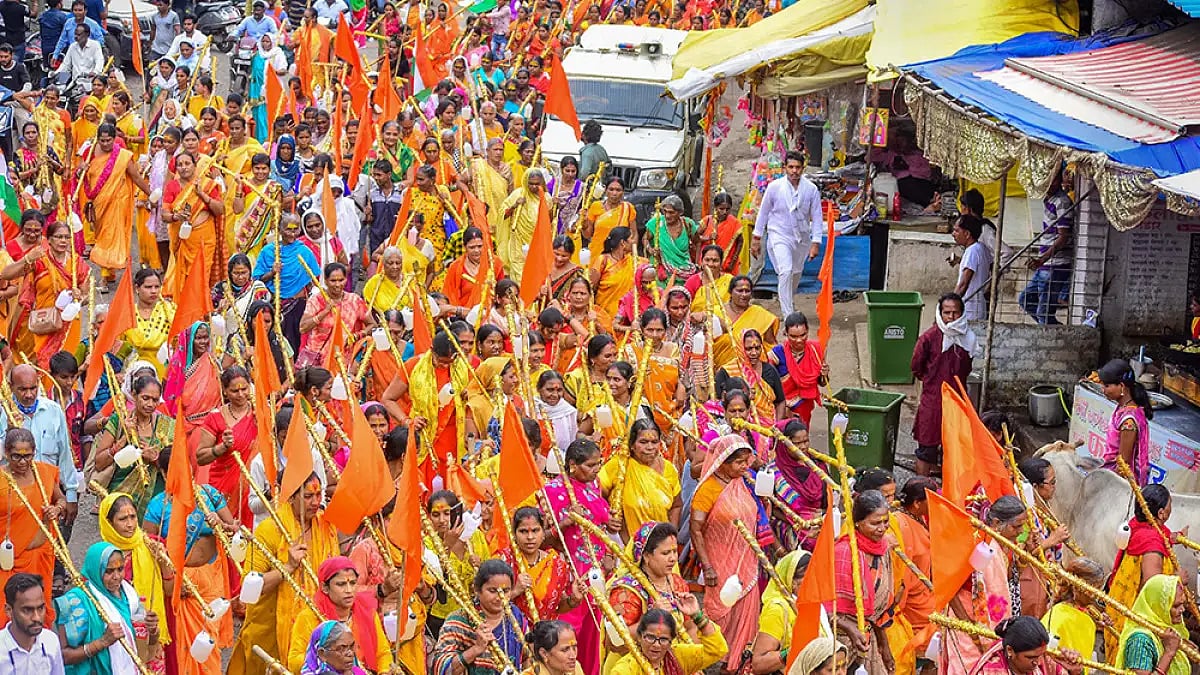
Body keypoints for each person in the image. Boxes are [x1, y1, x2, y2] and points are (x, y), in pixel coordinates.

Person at [231, 474, 339, 675]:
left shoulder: (326, 527)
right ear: (291, 497)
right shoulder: (270, 530)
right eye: (308, 496)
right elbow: (248, 587)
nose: (316, 502)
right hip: (270, 632)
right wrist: (287, 568)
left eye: (318, 494)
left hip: (314, 625)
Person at [690, 433, 762, 661]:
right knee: (722, 612)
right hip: (719, 562)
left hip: (747, 560)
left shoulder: (742, 484)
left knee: (745, 614)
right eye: (739, 462)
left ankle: (736, 663)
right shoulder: (707, 490)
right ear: (723, 462)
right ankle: (715, 657)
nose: (744, 467)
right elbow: (696, 529)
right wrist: (707, 566)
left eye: (746, 462)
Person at [541, 439, 609, 675]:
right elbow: (542, 540)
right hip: (568, 576)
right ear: (572, 465)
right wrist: (566, 522)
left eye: (598, 464)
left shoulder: (595, 484)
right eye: (590, 465)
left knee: (594, 635)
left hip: (595, 573)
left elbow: (599, 524)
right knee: (570, 634)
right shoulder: (553, 492)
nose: (596, 469)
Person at [54, 543, 151, 675]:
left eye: (120, 569)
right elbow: (63, 656)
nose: (117, 576)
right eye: (109, 571)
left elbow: (140, 646)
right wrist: (102, 642)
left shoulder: (129, 596)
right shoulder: (76, 602)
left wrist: (153, 630)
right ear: (95, 570)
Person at [0, 365, 79, 524]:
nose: (29, 395)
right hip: (14, 500)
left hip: (49, 496)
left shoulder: (53, 411)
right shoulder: (3, 413)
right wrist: (8, 431)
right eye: (22, 389)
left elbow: (64, 455)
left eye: (33, 388)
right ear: (11, 387)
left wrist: (71, 495)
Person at [0, 430, 64, 625]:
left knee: (36, 614)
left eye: (27, 456)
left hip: (39, 558)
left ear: (34, 453)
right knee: (7, 615)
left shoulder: (43, 472)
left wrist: (57, 509)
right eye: (16, 456)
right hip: (7, 562)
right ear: (6, 453)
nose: (22, 462)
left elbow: (60, 498)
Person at [1105, 483, 1177, 658]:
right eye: (1170, 505)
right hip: (1136, 615)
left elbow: (1159, 533)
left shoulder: (1137, 525)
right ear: (1161, 513)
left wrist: (1173, 538)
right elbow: (1153, 587)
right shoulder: (1152, 545)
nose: (1171, 508)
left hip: (1119, 606)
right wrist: (1177, 579)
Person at [96, 492, 167, 667]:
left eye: (133, 517)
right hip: (117, 633)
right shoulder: (100, 556)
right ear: (109, 523)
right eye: (122, 519)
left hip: (150, 632)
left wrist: (164, 562)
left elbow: (171, 590)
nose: (130, 524)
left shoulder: (151, 545)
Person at [285, 557, 392, 674]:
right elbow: (294, 662)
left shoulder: (368, 613)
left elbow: (383, 653)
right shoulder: (310, 617)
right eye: (341, 584)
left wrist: (384, 671)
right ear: (325, 588)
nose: (349, 590)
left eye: (352, 583)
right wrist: (330, 661)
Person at [910, 293, 977, 475]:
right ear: (940, 313)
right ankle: (921, 490)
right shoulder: (929, 338)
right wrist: (932, 381)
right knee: (926, 450)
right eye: (947, 313)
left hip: (957, 401)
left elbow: (967, 368)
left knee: (954, 449)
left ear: (962, 313)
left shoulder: (968, 338)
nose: (951, 317)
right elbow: (916, 366)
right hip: (933, 401)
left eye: (955, 313)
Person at [78, 124, 155, 279]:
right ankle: (109, 271)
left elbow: (136, 177)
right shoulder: (89, 152)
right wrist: (81, 169)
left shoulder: (122, 156)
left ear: (115, 139)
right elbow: (79, 176)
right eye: (102, 141)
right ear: (97, 139)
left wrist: (152, 195)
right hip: (98, 202)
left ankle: (106, 275)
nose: (105, 144)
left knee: (111, 235)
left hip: (117, 202)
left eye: (109, 140)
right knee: (101, 237)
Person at [752, 150, 822, 317]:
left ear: (803, 169)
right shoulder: (774, 188)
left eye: (797, 167)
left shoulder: (811, 189)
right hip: (778, 234)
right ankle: (788, 314)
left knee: (796, 272)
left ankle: (788, 300)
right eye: (791, 167)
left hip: (801, 238)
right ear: (785, 168)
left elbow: (817, 217)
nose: (794, 171)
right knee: (785, 270)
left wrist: (816, 242)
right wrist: (756, 238)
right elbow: (763, 213)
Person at [834, 490, 897, 673]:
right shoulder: (844, 553)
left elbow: (879, 609)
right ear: (858, 523)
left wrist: (884, 647)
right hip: (839, 643)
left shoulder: (883, 550)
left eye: (886, 522)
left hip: (868, 641)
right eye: (875, 523)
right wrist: (850, 629)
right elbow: (826, 607)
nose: (882, 528)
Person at [90, 375, 172, 515]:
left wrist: (156, 459)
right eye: (145, 398)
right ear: (134, 395)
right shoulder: (119, 421)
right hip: (121, 500)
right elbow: (99, 463)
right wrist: (122, 441)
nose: (150, 404)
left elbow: (178, 468)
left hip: (155, 501)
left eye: (155, 400)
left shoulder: (167, 425)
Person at [431, 560, 526, 675]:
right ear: (477, 590)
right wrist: (476, 649)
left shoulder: (514, 615)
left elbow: (527, 657)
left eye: (506, 591)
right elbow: (441, 669)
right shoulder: (459, 621)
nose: (499, 597)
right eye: (492, 591)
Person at [599, 419, 681, 540]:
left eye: (654, 442)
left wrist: (670, 534)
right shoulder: (619, 467)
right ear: (632, 445)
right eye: (643, 442)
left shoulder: (669, 469)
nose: (650, 447)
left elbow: (677, 505)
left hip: (660, 546)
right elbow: (594, 493)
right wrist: (606, 516)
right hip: (626, 545)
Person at [254, 215, 320, 353]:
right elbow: (257, 279)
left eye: (296, 230)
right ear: (280, 230)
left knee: (295, 344)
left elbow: (314, 281)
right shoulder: (268, 252)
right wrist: (272, 272)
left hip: (298, 306)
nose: (292, 234)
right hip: (273, 305)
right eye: (288, 230)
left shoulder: (305, 252)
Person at [500, 507, 578, 620]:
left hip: (544, 634)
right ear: (514, 534)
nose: (530, 537)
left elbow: (557, 606)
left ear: (543, 533)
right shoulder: (504, 561)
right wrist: (515, 591)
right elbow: (488, 603)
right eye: (523, 531)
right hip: (511, 633)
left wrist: (574, 599)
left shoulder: (557, 565)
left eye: (535, 530)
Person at [608, 605, 727, 675]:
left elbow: (716, 650)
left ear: (672, 641)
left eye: (663, 639)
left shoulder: (679, 656)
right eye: (650, 637)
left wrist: (697, 615)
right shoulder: (625, 669)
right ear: (639, 637)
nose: (656, 645)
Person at [1019, 171, 1073, 325]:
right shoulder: (1049, 200)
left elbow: (1064, 236)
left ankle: (1056, 337)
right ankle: (1056, 331)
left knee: (1043, 311)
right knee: (1026, 300)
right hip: (1046, 264)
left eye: (1053, 179)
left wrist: (1042, 259)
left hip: (1056, 264)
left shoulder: (1062, 202)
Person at [298, 262, 374, 368]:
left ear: (346, 279)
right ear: (326, 281)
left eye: (341, 280)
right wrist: (324, 311)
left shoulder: (354, 300)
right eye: (333, 281)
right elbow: (303, 328)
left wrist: (358, 335)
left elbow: (372, 325)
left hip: (343, 359)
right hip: (319, 360)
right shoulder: (316, 300)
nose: (337, 285)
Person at [1115, 574, 1190, 675]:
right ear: (1158, 606)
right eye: (1176, 606)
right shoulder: (1140, 640)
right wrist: (1169, 653)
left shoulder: (1167, 629)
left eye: (1182, 604)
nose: (1182, 610)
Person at [1097, 358, 1154, 485]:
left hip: (1123, 483)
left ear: (1121, 386)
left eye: (1107, 386)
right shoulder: (1123, 409)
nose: (1103, 390)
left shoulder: (1129, 422)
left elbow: (1123, 465)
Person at [1040, 558, 1104, 669]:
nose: (1097, 595)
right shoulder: (1058, 616)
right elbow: (1045, 657)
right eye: (1094, 589)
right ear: (1076, 588)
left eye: (1099, 589)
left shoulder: (1088, 617)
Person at [1, 573, 66, 675]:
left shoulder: (50, 641)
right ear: (9, 610)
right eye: (27, 610)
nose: (37, 617)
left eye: (40, 608)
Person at [970, 616, 1082, 675]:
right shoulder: (992, 671)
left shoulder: (1042, 659)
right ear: (1010, 651)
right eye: (1030, 657)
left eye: (1040, 655)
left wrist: (1074, 672)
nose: (1037, 662)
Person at [768, 311, 824, 426]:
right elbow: (768, 384)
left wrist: (824, 374)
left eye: (802, 335)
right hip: (781, 406)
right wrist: (782, 407)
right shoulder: (777, 353)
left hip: (804, 404)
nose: (798, 340)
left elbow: (822, 383)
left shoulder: (815, 350)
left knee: (802, 439)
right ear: (786, 334)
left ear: (807, 331)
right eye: (793, 336)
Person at [499, 167, 548, 283]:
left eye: (537, 184)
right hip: (518, 244)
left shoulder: (546, 198)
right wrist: (514, 206)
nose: (534, 187)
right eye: (531, 184)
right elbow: (503, 215)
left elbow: (549, 222)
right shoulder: (517, 194)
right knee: (519, 276)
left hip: (538, 245)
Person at [581, 177, 636, 263]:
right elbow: (587, 235)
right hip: (597, 255)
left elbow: (634, 234)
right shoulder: (596, 206)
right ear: (606, 191)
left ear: (623, 192)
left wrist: (631, 251)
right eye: (611, 189)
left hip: (619, 257)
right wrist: (584, 225)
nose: (614, 193)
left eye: (618, 190)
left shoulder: (628, 208)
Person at [644, 194, 698, 276]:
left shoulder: (688, 224)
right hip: (661, 271)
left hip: (685, 271)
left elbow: (698, 242)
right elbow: (645, 239)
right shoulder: (656, 222)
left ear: (680, 212)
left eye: (671, 212)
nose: (667, 216)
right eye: (665, 211)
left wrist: (697, 263)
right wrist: (650, 249)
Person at [952, 215, 991, 321]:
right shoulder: (982, 248)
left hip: (970, 311)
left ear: (967, 234)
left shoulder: (972, 252)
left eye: (956, 231)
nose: (953, 234)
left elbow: (963, 284)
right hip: (978, 307)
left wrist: (949, 304)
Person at [297, 621, 367, 675]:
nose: (350, 654)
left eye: (352, 646)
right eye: (341, 648)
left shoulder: (357, 672)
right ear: (322, 654)